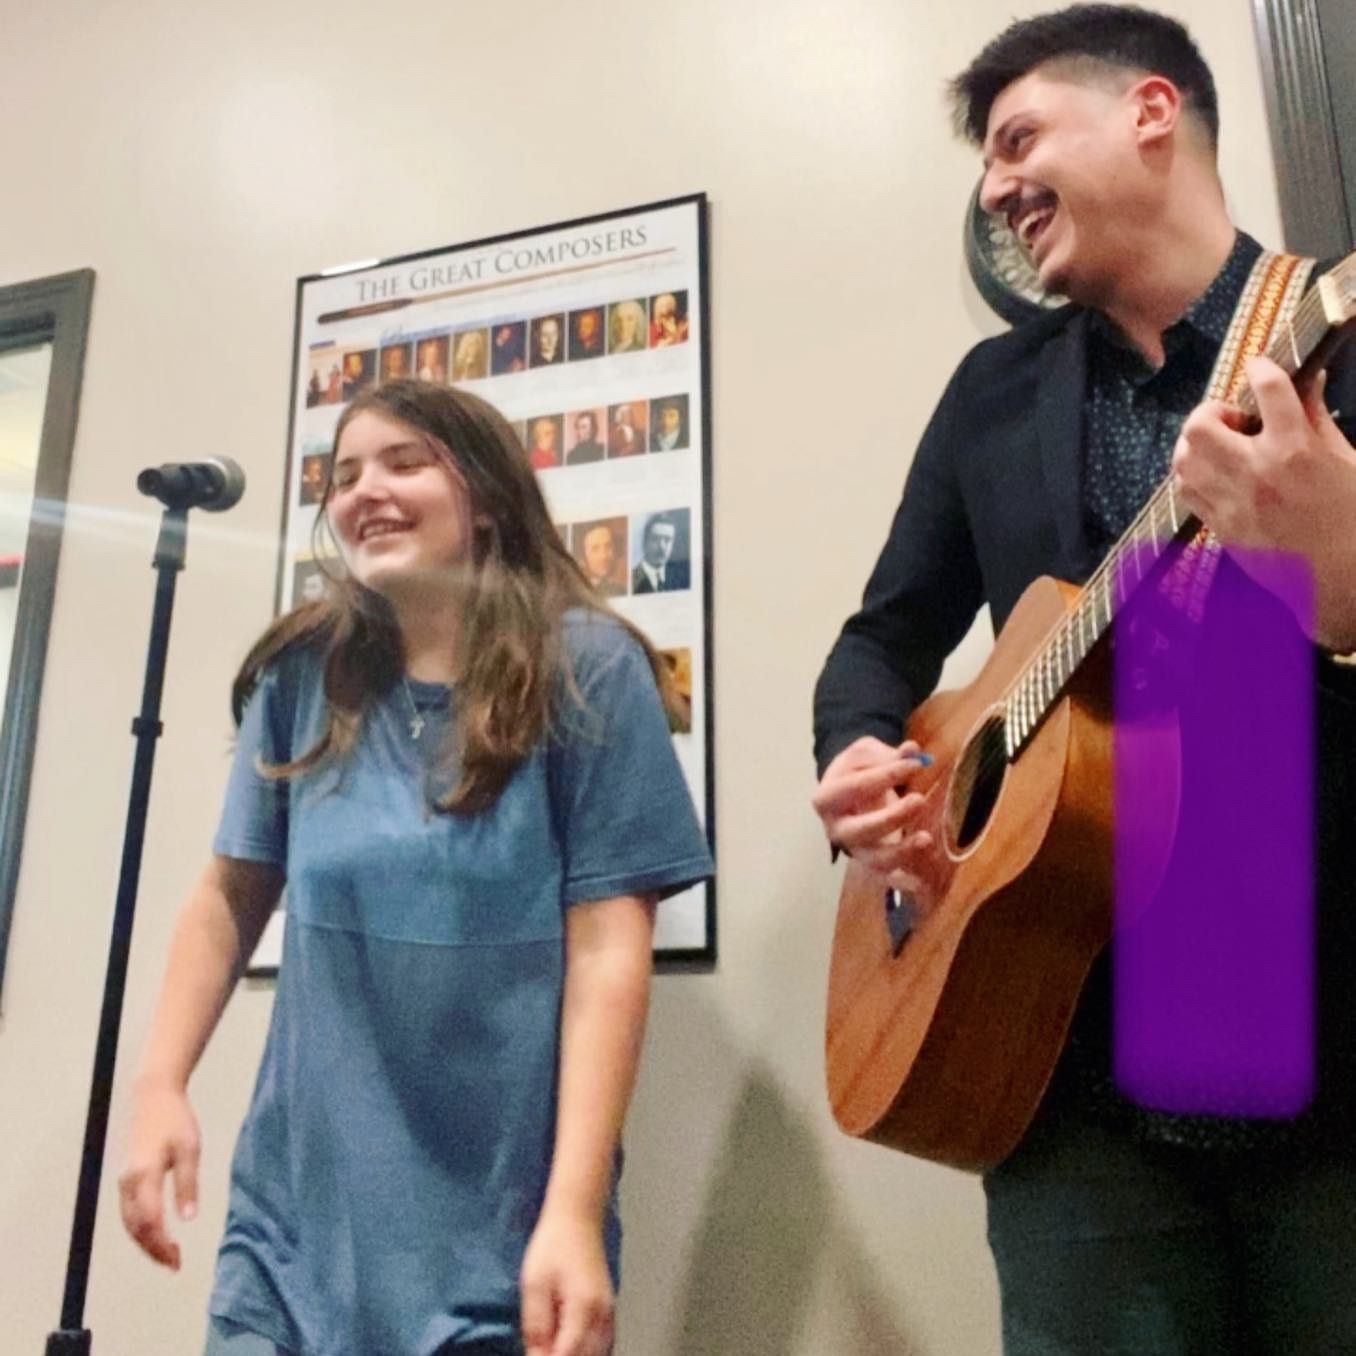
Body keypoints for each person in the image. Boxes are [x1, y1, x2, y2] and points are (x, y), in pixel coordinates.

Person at [811, 7, 1356, 1354]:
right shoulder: (991, 395)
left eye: (1017, 139)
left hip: (1329, 1047)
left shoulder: (1331, 336)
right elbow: (882, 636)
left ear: (1151, 113)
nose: (994, 188)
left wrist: (1341, 565)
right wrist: (857, 751)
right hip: (1061, 1063)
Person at [119, 379, 713, 1356]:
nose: (364, 492)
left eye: (403, 462)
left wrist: (572, 1211)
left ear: (483, 495)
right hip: (290, 1236)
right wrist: (160, 1086)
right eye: (344, 475)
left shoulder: (590, 669)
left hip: (496, 1241)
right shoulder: (302, 673)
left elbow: (611, 954)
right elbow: (229, 894)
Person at [631, 513, 690, 594]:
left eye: (667, 540)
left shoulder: (683, 577)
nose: (662, 547)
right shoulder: (631, 580)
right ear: (645, 542)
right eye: (655, 539)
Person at [575, 520, 625, 598]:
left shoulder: (621, 590)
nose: (603, 556)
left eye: (608, 547)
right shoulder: (576, 593)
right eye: (595, 549)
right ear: (583, 555)